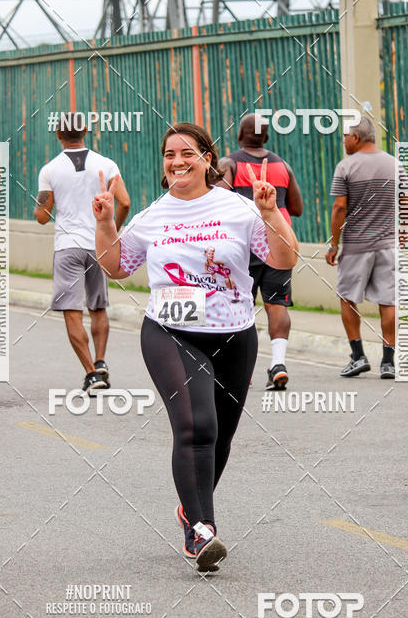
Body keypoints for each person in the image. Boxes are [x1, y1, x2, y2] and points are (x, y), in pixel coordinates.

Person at [92, 122, 298, 572]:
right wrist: (105, 223)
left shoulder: (239, 209)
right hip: (171, 331)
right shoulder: (152, 216)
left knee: (219, 436)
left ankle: (191, 510)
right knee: (195, 425)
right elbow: (116, 267)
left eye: (187, 153)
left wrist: (271, 215)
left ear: (207, 158)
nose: (178, 161)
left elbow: (284, 259)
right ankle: (201, 529)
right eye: (169, 155)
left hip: (234, 333)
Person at [34, 115, 130, 394]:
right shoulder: (107, 164)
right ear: (86, 131)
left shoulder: (50, 169)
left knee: (71, 311)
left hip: (68, 247)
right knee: (98, 306)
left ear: (58, 135)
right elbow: (124, 201)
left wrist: (45, 205)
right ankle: (100, 362)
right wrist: (108, 231)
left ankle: (91, 374)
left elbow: (42, 216)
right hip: (98, 246)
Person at [219, 112, 302, 390]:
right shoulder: (282, 165)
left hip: (245, 243)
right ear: (266, 136)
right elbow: (297, 208)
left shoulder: (229, 163)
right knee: (276, 303)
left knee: (241, 304)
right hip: (280, 241)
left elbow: (217, 202)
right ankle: (277, 364)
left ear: (240, 134)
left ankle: (242, 369)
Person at [326, 114, 405, 379]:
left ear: (356, 137)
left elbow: (339, 207)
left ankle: (358, 356)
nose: (344, 141)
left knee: (347, 297)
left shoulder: (346, 166)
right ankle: (388, 361)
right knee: (388, 300)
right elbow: (405, 203)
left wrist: (334, 243)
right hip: (388, 245)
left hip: (356, 246)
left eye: (345, 136)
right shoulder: (395, 165)